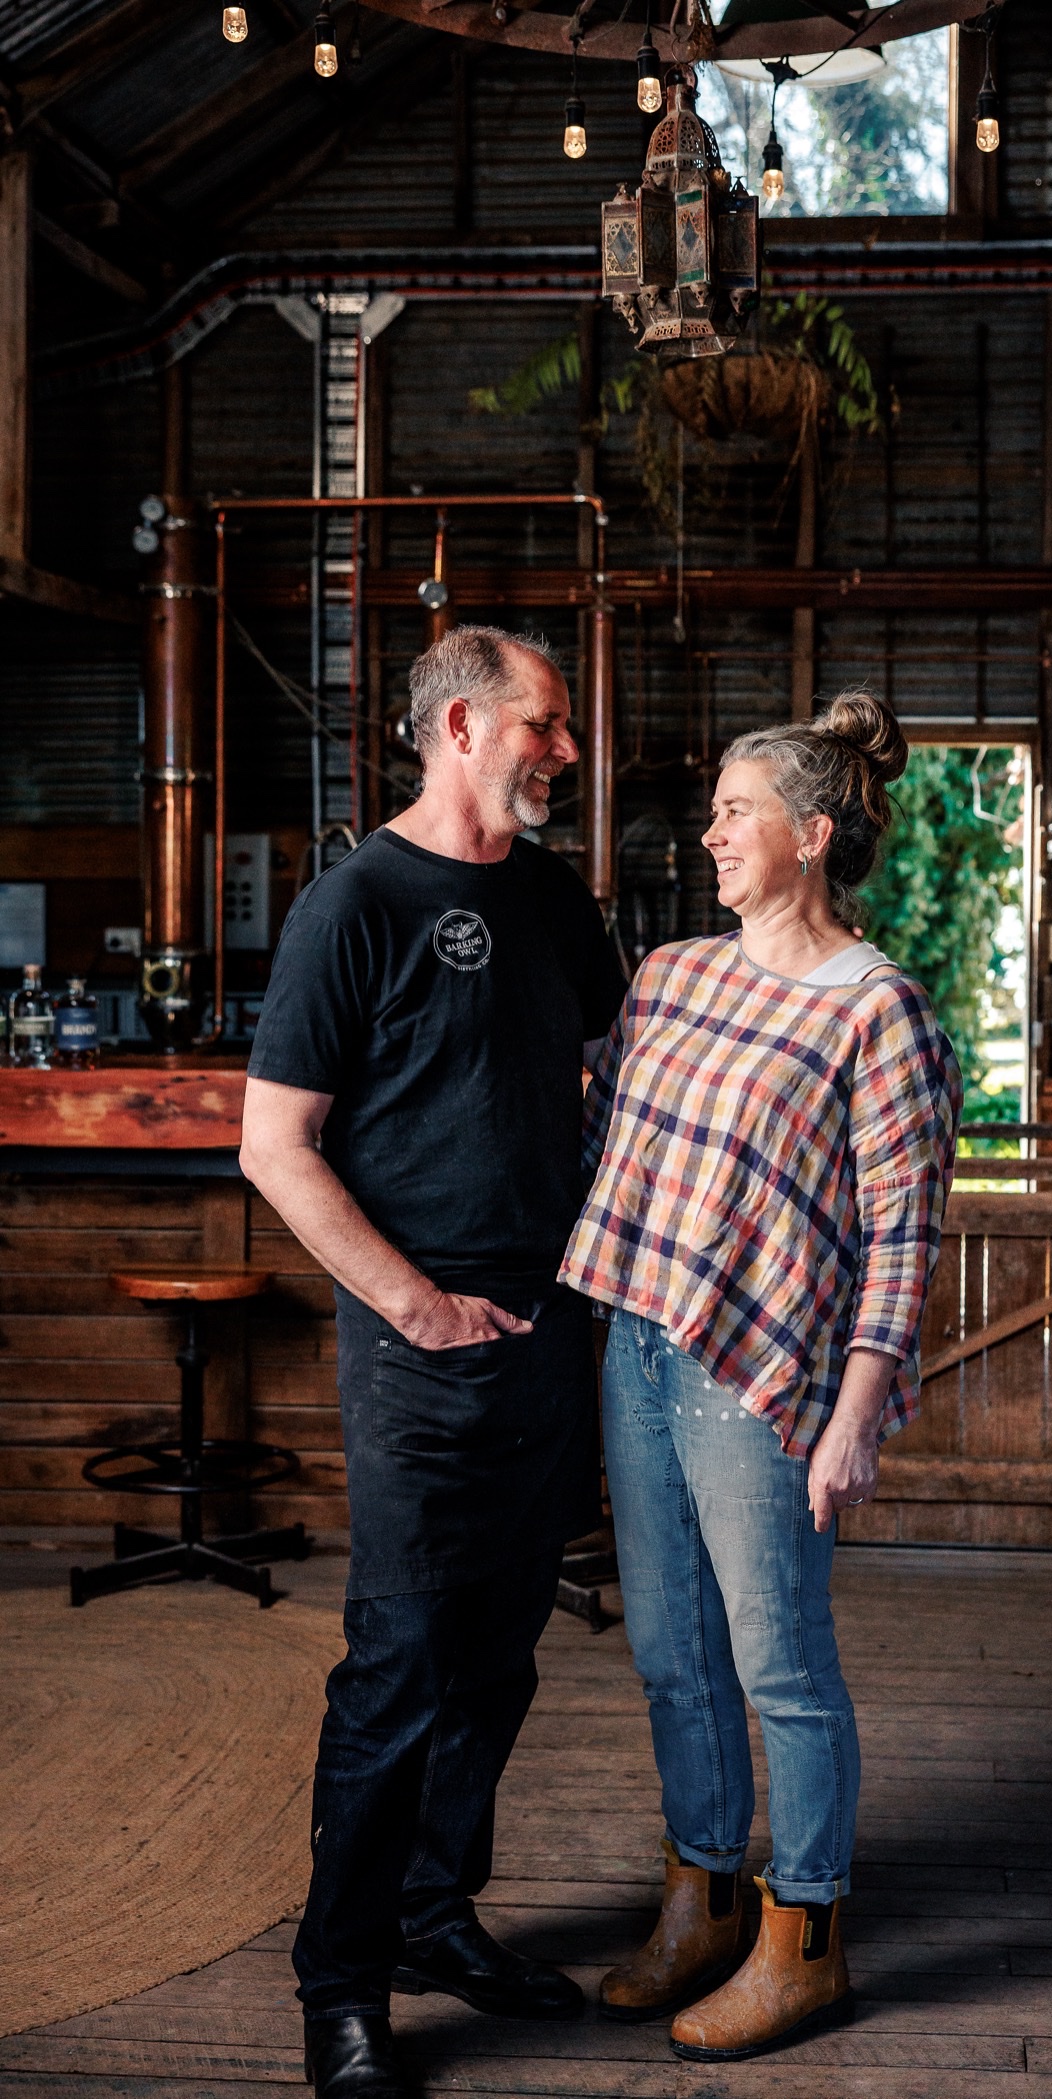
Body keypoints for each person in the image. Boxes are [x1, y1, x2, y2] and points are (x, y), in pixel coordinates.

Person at [239, 626, 627, 2099]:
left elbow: (620, 1057)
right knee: (399, 1669)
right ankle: (339, 1988)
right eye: (550, 724)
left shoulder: (550, 899)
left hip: (551, 1333)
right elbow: (274, 1145)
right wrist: (414, 1304)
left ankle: (430, 1914)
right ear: (462, 724)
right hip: (422, 1352)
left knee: (497, 1663)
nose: (568, 753)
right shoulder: (356, 905)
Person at [560, 692, 961, 2064]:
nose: (714, 833)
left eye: (738, 813)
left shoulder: (880, 1010)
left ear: (813, 833)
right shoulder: (670, 973)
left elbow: (902, 1236)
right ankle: (704, 1897)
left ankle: (807, 1939)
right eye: (718, 812)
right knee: (672, 1654)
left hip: (764, 1371)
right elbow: (610, 1122)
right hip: (637, 1338)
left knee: (775, 1660)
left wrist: (854, 1412)